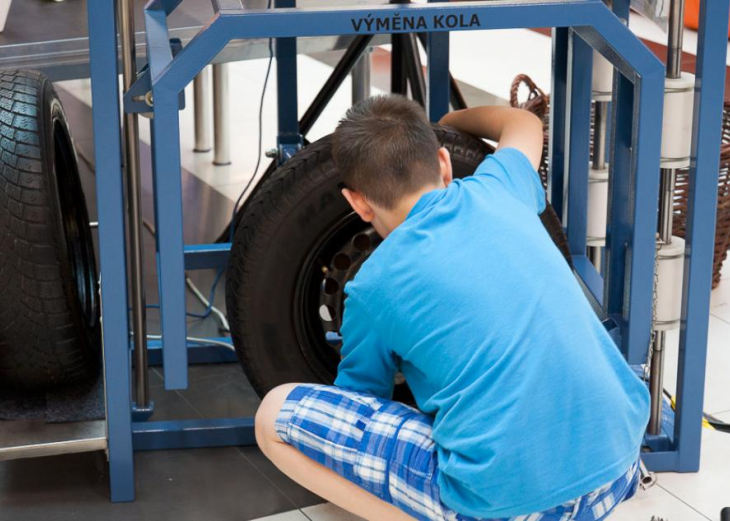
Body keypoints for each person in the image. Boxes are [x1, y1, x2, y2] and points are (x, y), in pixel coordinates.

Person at [254, 95, 650, 521]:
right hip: (618, 467)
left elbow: (361, 403)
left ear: (357, 202)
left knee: (274, 415)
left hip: (514, 508)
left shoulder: (372, 287)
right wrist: (450, 121)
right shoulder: (502, 187)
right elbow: (522, 123)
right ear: (444, 163)